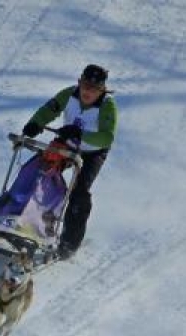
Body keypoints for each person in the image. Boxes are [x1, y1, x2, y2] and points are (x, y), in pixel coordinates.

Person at [21, 64, 118, 260]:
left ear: (102, 90)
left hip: (92, 153)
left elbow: (106, 138)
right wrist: (35, 123)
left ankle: (69, 244)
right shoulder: (69, 94)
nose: (87, 92)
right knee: (36, 171)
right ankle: (16, 216)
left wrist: (80, 133)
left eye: (93, 88)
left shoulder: (108, 106)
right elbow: (49, 110)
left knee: (79, 193)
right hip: (67, 144)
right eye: (84, 86)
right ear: (79, 83)